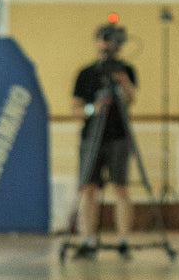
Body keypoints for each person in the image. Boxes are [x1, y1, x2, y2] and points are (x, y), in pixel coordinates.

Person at [70, 24, 138, 260]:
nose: (109, 45)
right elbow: (75, 108)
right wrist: (93, 109)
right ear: (97, 41)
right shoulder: (86, 73)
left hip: (119, 137)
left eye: (113, 40)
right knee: (88, 189)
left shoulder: (126, 70)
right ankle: (87, 241)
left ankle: (124, 241)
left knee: (121, 188)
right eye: (105, 39)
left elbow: (131, 99)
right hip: (92, 138)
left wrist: (123, 82)